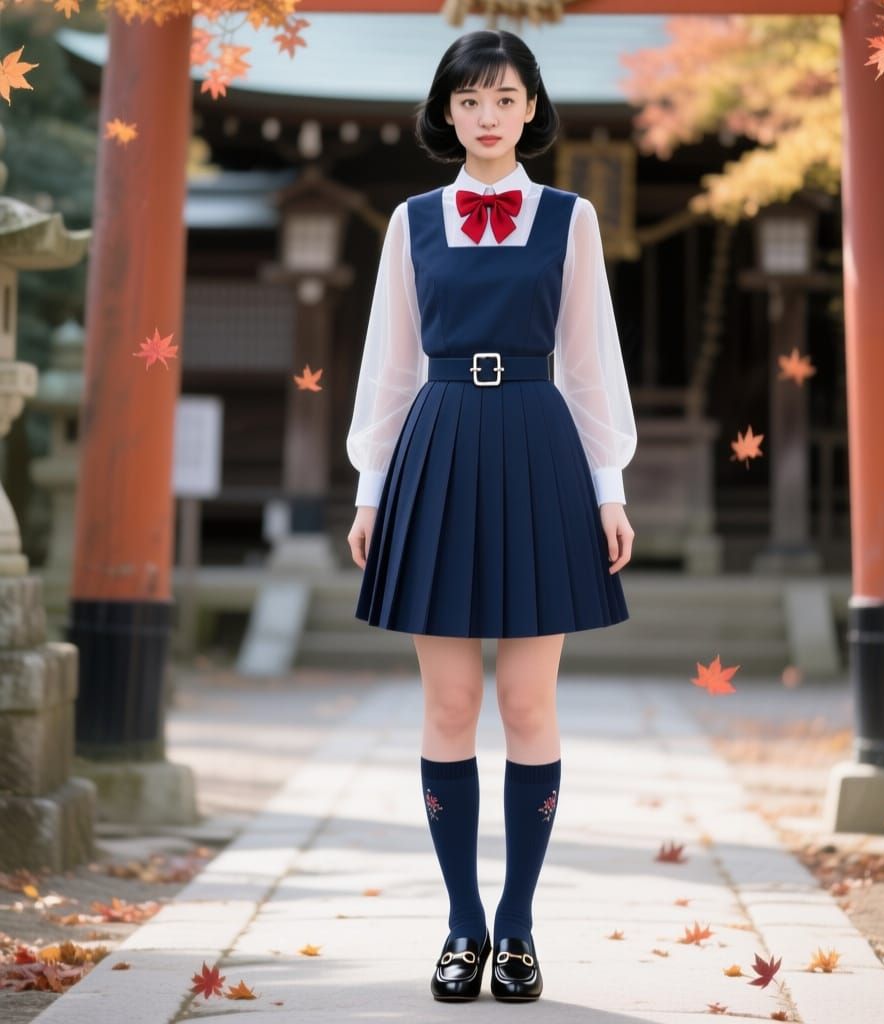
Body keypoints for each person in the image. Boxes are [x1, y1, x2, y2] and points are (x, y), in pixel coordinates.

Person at [346, 28, 637, 1003]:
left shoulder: (571, 218)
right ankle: (461, 925)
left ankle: (517, 926)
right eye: (469, 100)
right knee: (447, 705)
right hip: (435, 445)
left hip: (538, 445)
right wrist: (370, 489)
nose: (486, 116)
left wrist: (609, 486)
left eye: (504, 98)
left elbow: (590, 360)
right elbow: (389, 362)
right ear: (446, 111)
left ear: (531, 109)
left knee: (526, 703)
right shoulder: (411, 222)